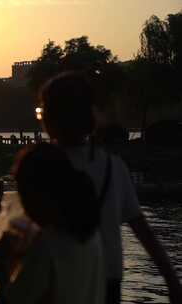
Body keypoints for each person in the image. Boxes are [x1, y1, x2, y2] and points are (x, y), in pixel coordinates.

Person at [39, 72, 182, 304]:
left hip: (59, 282)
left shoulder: (40, 166)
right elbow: (142, 229)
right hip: (107, 280)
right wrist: (171, 280)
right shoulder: (113, 166)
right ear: (89, 116)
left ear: (49, 118)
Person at [0, 143, 105, 304]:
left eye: (24, 192)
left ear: (41, 193)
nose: (24, 205)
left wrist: (1, 269)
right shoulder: (91, 235)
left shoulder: (48, 245)